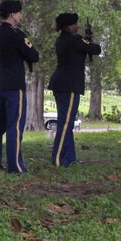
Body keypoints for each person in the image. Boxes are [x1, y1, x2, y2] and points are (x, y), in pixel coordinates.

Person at [0, 0, 40, 174]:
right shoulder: (16, 34)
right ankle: (15, 165)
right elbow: (33, 55)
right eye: (19, 13)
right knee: (15, 125)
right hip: (14, 83)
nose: (20, 16)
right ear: (12, 14)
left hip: (0, 81)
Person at [47, 12, 101, 166]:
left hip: (62, 83)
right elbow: (96, 49)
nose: (77, 26)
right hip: (68, 84)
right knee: (65, 123)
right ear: (68, 27)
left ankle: (69, 157)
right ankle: (58, 158)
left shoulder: (63, 39)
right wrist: (87, 41)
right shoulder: (74, 40)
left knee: (68, 122)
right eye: (75, 24)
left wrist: (85, 41)